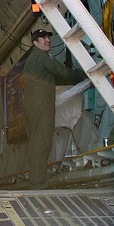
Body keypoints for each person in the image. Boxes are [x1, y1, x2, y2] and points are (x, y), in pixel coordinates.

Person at [22, 29, 86, 189]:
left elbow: (55, 76)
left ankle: (37, 180)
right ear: (35, 42)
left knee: (37, 141)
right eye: (42, 38)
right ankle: (37, 183)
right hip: (41, 103)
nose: (47, 40)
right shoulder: (41, 56)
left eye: (48, 37)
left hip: (34, 103)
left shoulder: (34, 58)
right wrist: (86, 73)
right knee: (41, 143)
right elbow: (64, 73)